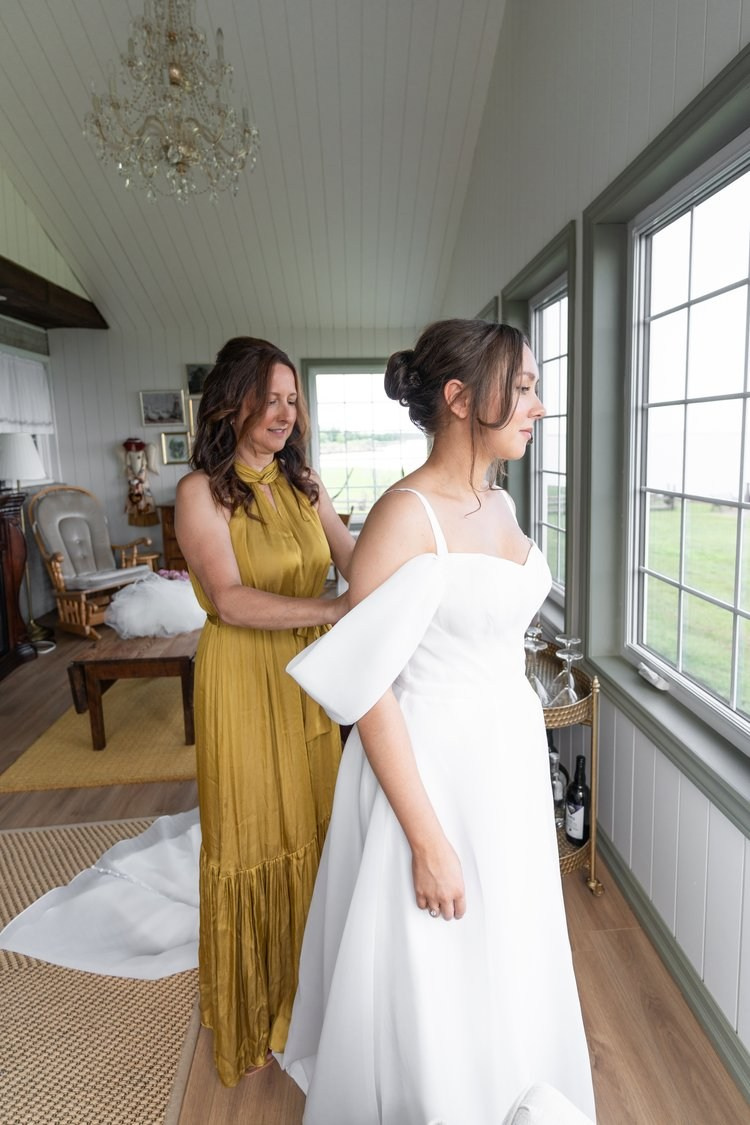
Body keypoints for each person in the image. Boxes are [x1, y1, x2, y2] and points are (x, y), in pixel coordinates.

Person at [279, 319, 597, 1122]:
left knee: (508, 947)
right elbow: (369, 686)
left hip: (503, 764)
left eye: (532, 386)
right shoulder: (404, 516)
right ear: (460, 398)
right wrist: (426, 839)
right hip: (431, 771)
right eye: (521, 387)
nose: (538, 405)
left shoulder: (500, 498)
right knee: (440, 958)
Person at [175, 336, 355, 1086]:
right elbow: (230, 599)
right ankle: (257, 1007)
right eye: (270, 398)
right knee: (254, 836)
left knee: (316, 829)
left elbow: (356, 556)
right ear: (234, 401)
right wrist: (332, 608)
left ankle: (315, 1001)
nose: (284, 413)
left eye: (292, 400)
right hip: (243, 680)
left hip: (310, 680)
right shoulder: (200, 492)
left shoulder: (306, 486)